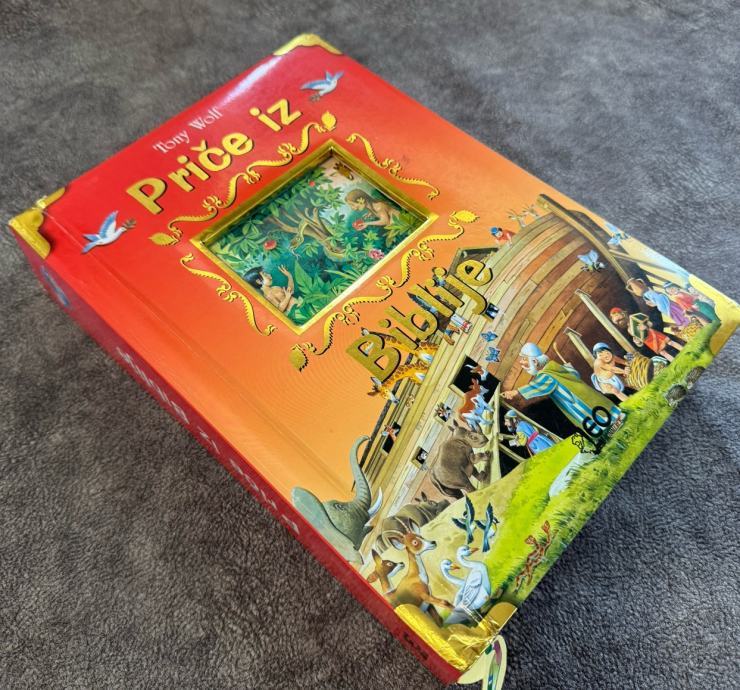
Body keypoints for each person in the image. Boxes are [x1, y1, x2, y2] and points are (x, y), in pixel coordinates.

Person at [501, 343, 622, 431]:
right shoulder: (554, 367)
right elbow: (574, 373)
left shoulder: (546, 374)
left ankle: (609, 427)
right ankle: (615, 419)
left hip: (574, 399)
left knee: (587, 413)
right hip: (583, 393)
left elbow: (539, 385)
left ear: (535, 362)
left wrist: (516, 392)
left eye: (524, 359)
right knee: (596, 408)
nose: (521, 363)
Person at [609, 307, 682, 361]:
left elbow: (650, 323)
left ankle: (682, 349)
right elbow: (640, 343)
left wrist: (645, 326)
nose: (620, 322)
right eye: (618, 322)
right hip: (648, 342)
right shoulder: (629, 330)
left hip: (653, 334)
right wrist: (638, 342)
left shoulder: (634, 317)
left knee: (670, 342)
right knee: (663, 353)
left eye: (619, 319)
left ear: (623, 314)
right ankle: (675, 361)